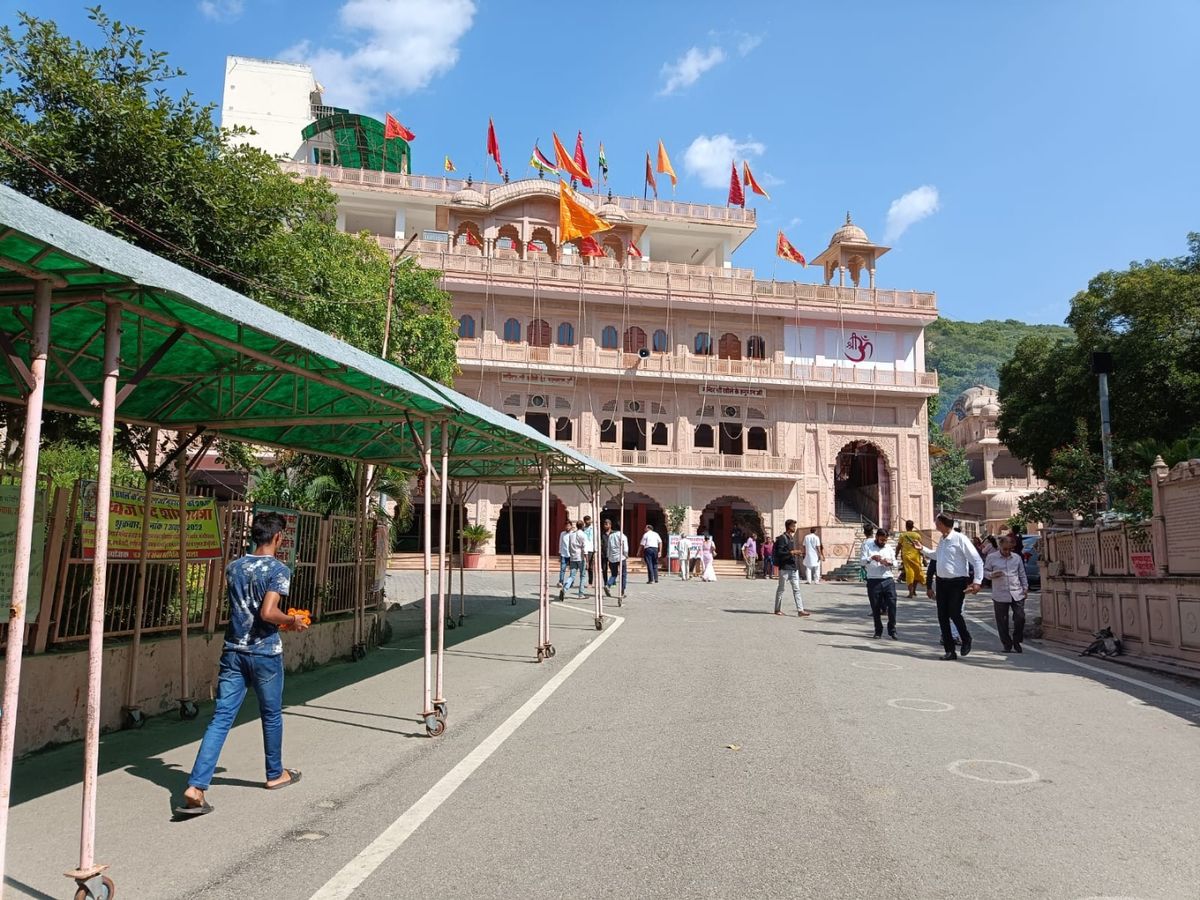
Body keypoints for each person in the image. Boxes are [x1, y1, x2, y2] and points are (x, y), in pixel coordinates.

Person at [177, 512, 307, 817]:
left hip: (233, 651)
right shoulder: (278, 569)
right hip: (264, 654)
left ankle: (196, 786)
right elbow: (267, 612)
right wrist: (292, 620)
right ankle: (275, 774)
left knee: (221, 719)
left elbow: (246, 608)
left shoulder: (235, 567)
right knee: (271, 715)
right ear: (278, 538)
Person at [916, 513, 984, 660]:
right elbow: (937, 555)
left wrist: (977, 581)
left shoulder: (960, 539)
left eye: (937, 523)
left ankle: (966, 638)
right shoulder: (942, 539)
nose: (935, 525)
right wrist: (922, 549)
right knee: (942, 616)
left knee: (954, 612)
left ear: (944, 524)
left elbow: (977, 560)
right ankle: (950, 650)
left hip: (957, 582)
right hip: (942, 582)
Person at [986, 534, 1029, 652]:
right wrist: (991, 575)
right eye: (1005, 549)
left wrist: (1025, 587)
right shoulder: (992, 557)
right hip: (1000, 593)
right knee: (1002, 620)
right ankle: (1007, 643)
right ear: (1000, 546)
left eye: (1010, 549)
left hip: (1016, 592)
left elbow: (1022, 574)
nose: (1007, 552)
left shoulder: (1016, 558)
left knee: (1020, 617)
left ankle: (1017, 640)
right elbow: (985, 572)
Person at [860, 527, 899, 639]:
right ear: (876, 537)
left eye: (885, 540)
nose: (883, 542)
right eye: (881, 540)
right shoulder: (867, 546)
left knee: (892, 605)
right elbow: (862, 561)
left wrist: (890, 563)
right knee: (875, 607)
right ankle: (878, 630)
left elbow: (896, 562)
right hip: (873, 580)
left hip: (888, 579)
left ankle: (892, 628)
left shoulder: (888, 548)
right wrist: (871, 558)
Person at [772, 519, 811, 618]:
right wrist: (791, 552)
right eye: (793, 526)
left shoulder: (791, 538)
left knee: (797, 589)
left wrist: (797, 553)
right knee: (781, 589)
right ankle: (777, 609)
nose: (794, 528)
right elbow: (780, 552)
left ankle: (800, 610)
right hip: (784, 568)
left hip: (793, 567)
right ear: (789, 527)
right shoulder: (782, 538)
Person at [559, 520, 587, 600]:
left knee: (572, 576)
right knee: (582, 575)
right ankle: (581, 594)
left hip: (573, 557)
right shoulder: (583, 535)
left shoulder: (571, 535)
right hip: (581, 558)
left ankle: (564, 588)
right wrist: (587, 559)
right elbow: (585, 548)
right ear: (582, 526)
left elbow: (569, 547)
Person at [898, 519, 926, 599]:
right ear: (913, 526)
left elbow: (899, 546)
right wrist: (923, 558)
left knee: (909, 574)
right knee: (917, 573)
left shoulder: (903, 535)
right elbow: (921, 547)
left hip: (907, 557)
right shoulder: (917, 535)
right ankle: (914, 590)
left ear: (906, 526)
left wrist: (896, 554)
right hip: (916, 557)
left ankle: (910, 592)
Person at [602, 518, 628, 599]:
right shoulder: (622, 536)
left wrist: (609, 557)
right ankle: (622, 591)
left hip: (612, 557)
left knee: (614, 574)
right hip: (621, 557)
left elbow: (608, 548)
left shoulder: (611, 536)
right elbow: (625, 548)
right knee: (623, 574)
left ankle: (608, 584)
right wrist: (626, 555)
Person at [557, 520, 575, 588]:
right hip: (564, 554)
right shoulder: (562, 534)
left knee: (572, 569)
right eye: (566, 526)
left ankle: (571, 582)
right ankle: (561, 581)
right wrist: (560, 553)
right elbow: (560, 543)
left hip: (571, 555)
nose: (567, 527)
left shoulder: (573, 533)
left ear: (571, 526)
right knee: (562, 569)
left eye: (568, 526)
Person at [582, 515, 596, 587]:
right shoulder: (583, 529)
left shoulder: (593, 528)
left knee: (590, 567)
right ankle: (582, 582)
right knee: (583, 566)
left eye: (589, 520)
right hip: (584, 549)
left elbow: (596, 538)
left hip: (591, 549)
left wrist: (595, 549)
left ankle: (590, 582)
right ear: (584, 521)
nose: (589, 521)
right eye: (587, 520)